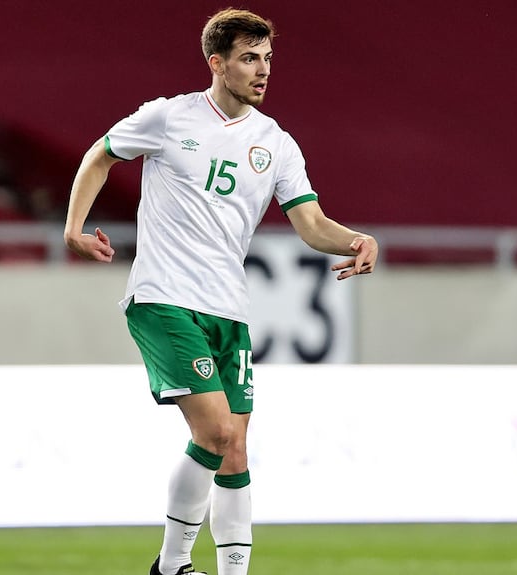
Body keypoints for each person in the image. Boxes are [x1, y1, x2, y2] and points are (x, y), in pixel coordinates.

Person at [64, 9, 378, 575]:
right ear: (218, 64)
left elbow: (310, 223)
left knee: (234, 449)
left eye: (267, 59)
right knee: (214, 430)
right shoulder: (167, 117)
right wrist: (74, 228)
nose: (263, 71)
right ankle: (172, 563)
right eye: (249, 59)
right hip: (163, 299)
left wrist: (355, 240)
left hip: (228, 308)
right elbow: (100, 155)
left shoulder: (275, 143)